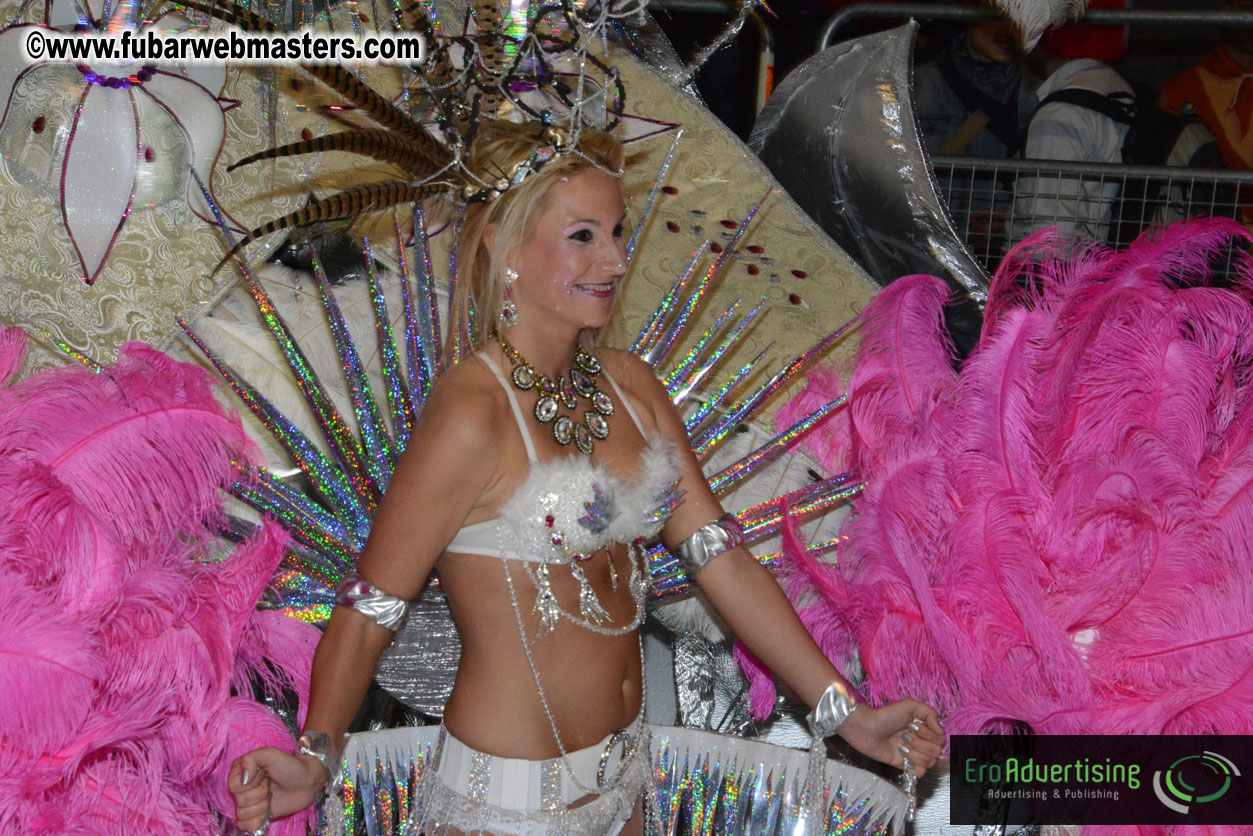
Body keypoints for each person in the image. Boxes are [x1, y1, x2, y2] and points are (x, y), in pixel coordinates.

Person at [225, 123, 944, 835]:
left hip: (622, 779)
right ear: (503, 247)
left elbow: (719, 557)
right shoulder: (472, 413)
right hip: (504, 806)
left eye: (618, 233)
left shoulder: (631, 388)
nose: (615, 260)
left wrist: (845, 714)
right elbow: (370, 606)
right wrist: (317, 753)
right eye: (583, 237)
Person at [1011, 40, 1134, 242]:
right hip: (1096, 258)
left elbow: (1051, 235)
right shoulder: (1114, 88)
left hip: (1058, 268)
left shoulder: (1060, 114)